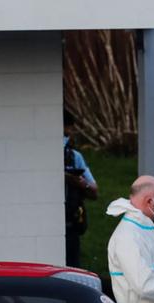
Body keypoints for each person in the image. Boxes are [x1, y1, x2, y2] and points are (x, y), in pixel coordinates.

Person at [63, 110, 98, 268]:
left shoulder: (74, 157)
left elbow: (93, 190)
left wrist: (77, 182)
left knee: (72, 268)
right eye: (67, 131)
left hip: (70, 223)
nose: (69, 135)